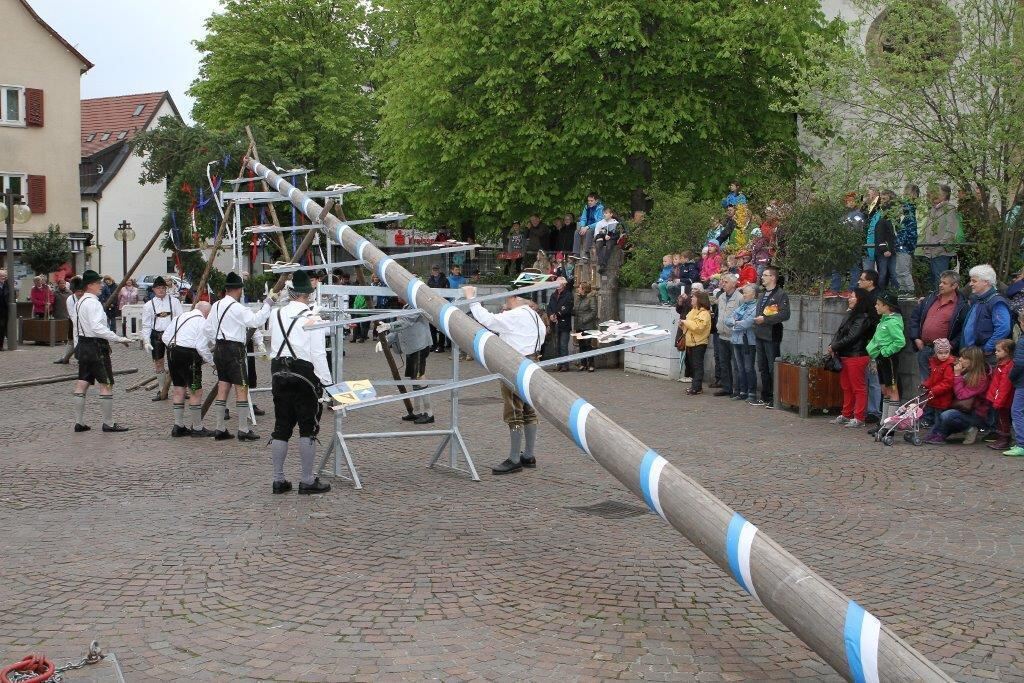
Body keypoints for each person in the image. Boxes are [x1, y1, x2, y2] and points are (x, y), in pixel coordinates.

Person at [464, 284, 546, 475]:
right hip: (532, 360)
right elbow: (542, 335)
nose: (505, 303)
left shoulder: (516, 314)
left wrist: (471, 299)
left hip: (515, 362)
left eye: (508, 299)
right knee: (528, 409)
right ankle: (529, 455)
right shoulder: (534, 315)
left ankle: (514, 458)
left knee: (513, 409)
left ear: (515, 298)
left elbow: (488, 320)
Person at [267, 269, 332, 495]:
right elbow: (318, 354)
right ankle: (306, 480)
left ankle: (278, 480)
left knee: (281, 426)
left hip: (278, 371)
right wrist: (328, 384)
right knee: (308, 427)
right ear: (309, 294)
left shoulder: (275, 314)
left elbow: (274, 343)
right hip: (304, 372)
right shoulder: (313, 317)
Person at [205, 272, 273, 441]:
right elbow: (256, 321)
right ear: (238, 290)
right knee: (241, 387)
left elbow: (207, 329)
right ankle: (243, 429)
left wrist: (220, 338)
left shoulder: (216, 305)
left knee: (223, 387)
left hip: (220, 348)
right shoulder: (237, 307)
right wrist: (268, 304)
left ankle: (220, 428)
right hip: (234, 349)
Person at [72, 270, 132, 433]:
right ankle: (108, 423)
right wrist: (118, 338)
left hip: (83, 345)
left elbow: (76, 327)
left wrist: (78, 345)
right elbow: (97, 328)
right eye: (98, 283)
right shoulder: (93, 303)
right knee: (106, 383)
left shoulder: (79, 302)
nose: (101, 286)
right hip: (96, 347)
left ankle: (79, 422)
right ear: (90, 285)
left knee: (82, 382)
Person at [163, 301, 214, 437]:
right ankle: (197, 428)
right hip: (189, 356)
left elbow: (165, 337)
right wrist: (213, 362)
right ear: (206, 313)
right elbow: (201, 347)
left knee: (179, 389)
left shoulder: (179, 317)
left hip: (172, 352)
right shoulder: (202, 322)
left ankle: (178, 426)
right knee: (196, 390)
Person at [379, 297, 434, 424]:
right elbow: (402, 328)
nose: (398, 297)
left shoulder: (416, 305)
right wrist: (387, 339)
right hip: (411, 348)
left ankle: (429, 413)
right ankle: (417, 411)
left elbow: (406, 322)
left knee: (420, 377)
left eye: (400, 294)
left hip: (419, 346)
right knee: (414, 379)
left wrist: (388, 326)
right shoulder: (406, 307)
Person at [908, 270, 969, 381]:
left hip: (944, 353)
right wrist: (916, 338)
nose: (940, 285)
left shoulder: (962, 306)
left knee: (940, 384)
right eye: (940, 282)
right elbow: (915, 318)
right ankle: (926, 399)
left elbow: (964, 330)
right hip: (925, 348)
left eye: (944, 283)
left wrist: (951, 345)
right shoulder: (930, 298)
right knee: (925, 383)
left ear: (954, 285)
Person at [826, 288, 874, 428]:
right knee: (846, 386)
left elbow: (852, 336)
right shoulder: (851, 314)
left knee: (858, 388)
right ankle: (846, 413)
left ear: (860, 300)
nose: (849, 299)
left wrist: (835, 346)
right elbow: (840, 332)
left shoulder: (863, 317)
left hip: (856, 356)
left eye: (852, 297)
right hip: (845, 355)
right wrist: (833, 345)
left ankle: (859, 417)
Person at [924, 345, 990, 445]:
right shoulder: (966, 371)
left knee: (947, 415)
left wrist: (957, 375)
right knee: (932, 433)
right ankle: (940, 434)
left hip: (975, 414)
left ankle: (970, 428)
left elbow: (961, 395)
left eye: (964, 358)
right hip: (960, 409)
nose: (960, 359)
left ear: (973, 361)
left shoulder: (981, 378)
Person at [140, 276, 184, 402]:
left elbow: (179, 319)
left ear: (166, 288)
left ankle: (180, 388)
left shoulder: (174, 302)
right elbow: (146, 325)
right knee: (159, 363)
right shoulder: (149, 305)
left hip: (171, 336)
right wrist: (147, 341)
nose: (161, 290)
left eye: (163, 288)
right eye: (158, 288)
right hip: (157, 336)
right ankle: (162, 390)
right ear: (153, 289)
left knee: (176, 362)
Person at [751, 267, 790, 406]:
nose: (762, 277)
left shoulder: (780, 295)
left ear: (773, 277)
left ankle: (775, 397)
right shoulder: (761, 295)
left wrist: (765, 320)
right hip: (759, 334)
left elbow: (785, 314)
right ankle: (765, 395)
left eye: (765, 275)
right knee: (762, 367)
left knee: (772, 366)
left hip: (772, 335)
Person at [961, 264, 1011, 367]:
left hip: (986, 357)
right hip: (975, 353)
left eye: (974, 281)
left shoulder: (996, 302)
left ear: (986, 282)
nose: (970, 284)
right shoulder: (978, 299)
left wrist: (988, 348)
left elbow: (1003, 328)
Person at [867, 290, 905, 408]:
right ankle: (884, 422)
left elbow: (900, 341)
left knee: (892, 389)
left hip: (888, 358)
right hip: (880, 358)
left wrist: (885, 352)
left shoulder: (893, 322)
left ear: (887, 306)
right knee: (885, 389)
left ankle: (890, 423)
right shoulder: (883, 320)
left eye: (878, 304)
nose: (875, 306)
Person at [856, 269, 883, 422]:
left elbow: (874, 320)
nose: (858, 282)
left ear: (870, 282)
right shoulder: (864, 296)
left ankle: (874, 411)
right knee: (867, 378)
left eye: (862, 279)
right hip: (866, 342)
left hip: (874, 341)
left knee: (874, 379)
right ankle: (867, 409)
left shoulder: (876, 297)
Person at [922, 185, 959, 289]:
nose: (933, 195)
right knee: (933, 279)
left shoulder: (949, 209)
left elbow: (951, 230)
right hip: (931, 250)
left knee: (941, 279)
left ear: (944, 195)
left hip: (941, 251)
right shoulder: (933, 209)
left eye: (937, 192)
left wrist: (941, 244)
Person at [829, 192, 866, 295]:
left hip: (853, 244)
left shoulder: (858, 214)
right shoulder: (843, 215)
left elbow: (857, 230)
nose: (849, 203)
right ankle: (834, 289)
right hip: (841, 244)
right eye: (847, 201)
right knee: (836, 266)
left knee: (854, 266)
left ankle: (852, 289)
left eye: (851, 201)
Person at [727, 283, 758, 401]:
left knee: (749, 367)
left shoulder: (756, 307)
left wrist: (735, 323)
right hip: (736, 340)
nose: (743, 295)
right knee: (740, 368)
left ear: (754, 294)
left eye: (746, 293)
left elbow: (748, 323)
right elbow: (727, 320)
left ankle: (752, 392)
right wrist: (736, 323)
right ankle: (742, 391)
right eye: (743, 292)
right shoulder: (741, 307)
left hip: (748, 341)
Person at [713, 274, 742, 397]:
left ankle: (738, 389)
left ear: (733, 284)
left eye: (725, 282)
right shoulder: (722, 296)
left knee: (736, 365)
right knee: (724, 363)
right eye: (722, 281)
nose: (722, 284)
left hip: (734, 336)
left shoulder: (740, 298)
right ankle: (726, 387)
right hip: (722, 334)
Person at [984, 339, 1015, 451]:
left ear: (1007, 351)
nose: (995, 352)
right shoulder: (1001, 365)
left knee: (1003, 420)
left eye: (998, 350)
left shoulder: (1007, 367)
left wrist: (998, 401)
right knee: (1000, 419)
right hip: (997, 398)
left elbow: (1004, 387)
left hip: (1002, 400)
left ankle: (1004, 439)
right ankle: (1001, 438)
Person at [680, 290, 712, 395]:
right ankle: (695, 386)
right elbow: (690, 324)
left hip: (699, 342)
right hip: (690, 342)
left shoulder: (704, 313)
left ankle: (697, 387)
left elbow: (698, 327)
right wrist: (682, 325)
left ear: (699, 300)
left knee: (697, 366)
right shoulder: (693, 310)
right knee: (693, 366)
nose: (691, 299)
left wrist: (685, 322)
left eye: (694, 297)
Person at [919, 338, 955, 428]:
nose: (944, 355)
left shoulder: (948, 366)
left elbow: (948, 382)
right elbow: (932, 378)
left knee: (939, 416)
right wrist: (925, 384)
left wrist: (935, 390)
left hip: (943, 396)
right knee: (932, 411)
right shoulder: (935, 364)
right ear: (936, 353)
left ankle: (939, 431)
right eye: (941, 353)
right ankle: (932, 427)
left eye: (946, 353)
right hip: (934, 395)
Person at [893, 184, 919, 295]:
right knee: (900, 271)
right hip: (902, 246)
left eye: (907, 193)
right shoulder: (907, 212)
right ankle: (904, 292)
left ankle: (910, 292)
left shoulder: (910, 212)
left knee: (903, 272)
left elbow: (909, 232)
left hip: (905, 247)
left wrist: (900, 243)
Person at [1005, 310, 1024, 456]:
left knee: (1016, 411)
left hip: (1022, 383)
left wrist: (1011, 377)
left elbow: (1018, 364)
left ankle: (1021, 443)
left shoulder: (1022, 341)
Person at [54, 277, 85, 365]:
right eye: (78, 291)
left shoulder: (86, 297)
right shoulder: (70, 299)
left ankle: (81, 358)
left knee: (83, 340)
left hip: (85, 322)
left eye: (81, 291)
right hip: (74, 322)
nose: (80, 293)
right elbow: (72, 315)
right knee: (72, 340)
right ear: (74, 290)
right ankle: (65, 358)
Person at [546, 277, 574, 372]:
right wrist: (550, 315)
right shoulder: (553, 295)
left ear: (564, 284)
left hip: (564, 323)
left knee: (563, 345)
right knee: (556, 345)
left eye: (559, 283)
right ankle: (559, 364)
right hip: (554, 323)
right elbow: (549, 307)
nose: (557, 284)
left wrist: (557, 315)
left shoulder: (568, 295)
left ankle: (565, 365)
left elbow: (567, 309)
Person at [573, 281, 598, 372]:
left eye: (579, 287)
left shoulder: (591, 298)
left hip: (588, 325)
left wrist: (584, 320)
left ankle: (591, 364)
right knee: (581, 345)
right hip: (579, 325)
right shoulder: (578, 298)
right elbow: (576, 309)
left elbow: (594, 312)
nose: (578, 289)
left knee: (588, 345)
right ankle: (583, 363)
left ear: (584, 289)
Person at [574, 193, 604, 261]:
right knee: (577, 232)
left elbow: (599, 222)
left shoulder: (600, 208)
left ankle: (587, 253)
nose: (589, 202)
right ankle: (576, 253)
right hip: (586, 226)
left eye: (591, 200)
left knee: (589, 232)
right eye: (588, 200)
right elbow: (583, 218)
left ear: (596, 201)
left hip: (596, 227)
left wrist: (587, 227)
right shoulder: (586, 207)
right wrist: (582, 226)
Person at [426, 265, 449, 352]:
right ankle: (433, 344)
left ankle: (441, 346)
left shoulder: (444, 280)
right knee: (432, 326)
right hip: (432, 305)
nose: (435, 271)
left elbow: (447, 292)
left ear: (439, 270)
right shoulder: (430, 280)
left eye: (436, 270)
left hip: (441, 305)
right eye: (434, 270)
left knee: (441, 326)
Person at [593, 208, 620, 273]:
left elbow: (617, 235)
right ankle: (602, 265)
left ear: (611, 214)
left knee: (609, 245)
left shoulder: (616, 223)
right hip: (602, 238)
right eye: (604, 213)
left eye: (606, 213)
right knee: (598, 244)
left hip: (611, 239)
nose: (604, 215)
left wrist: (610, 237)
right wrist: (601, 236)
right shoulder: (600, 223)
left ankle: (603, 265)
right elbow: (596, 233)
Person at [0, 269, 8, 350]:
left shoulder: (6, 285)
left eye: (4, 276)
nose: (3, 278)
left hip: (4, 311)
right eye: (1, 276)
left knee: (2, 328)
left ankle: (1, 346)